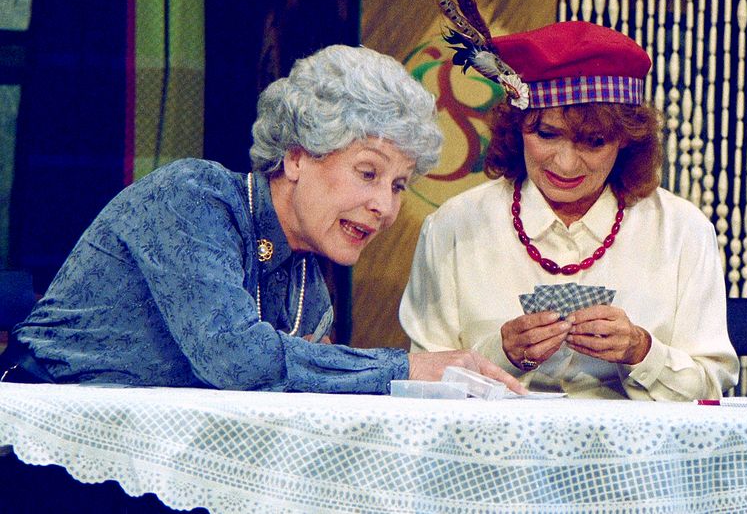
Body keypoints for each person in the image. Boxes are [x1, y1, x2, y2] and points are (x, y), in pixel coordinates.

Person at [1, 45, 523, 395]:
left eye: (398, 185)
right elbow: (237, 359)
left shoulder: (306, 278)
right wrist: (407, 368)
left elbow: (305, 389)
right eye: (368, 173)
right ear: (296, 157)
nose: (384, 207)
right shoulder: (193, 197)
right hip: (44, 450)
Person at [398, 19, 739, 400]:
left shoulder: (682, 230)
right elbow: (421, 387)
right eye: (547, 134)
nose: (565, 164)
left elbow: (712, 384)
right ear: (517, 127)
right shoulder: (453, 226)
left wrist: (641, 351)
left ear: (626, 140)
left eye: (593, 142)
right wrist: (501, 354)